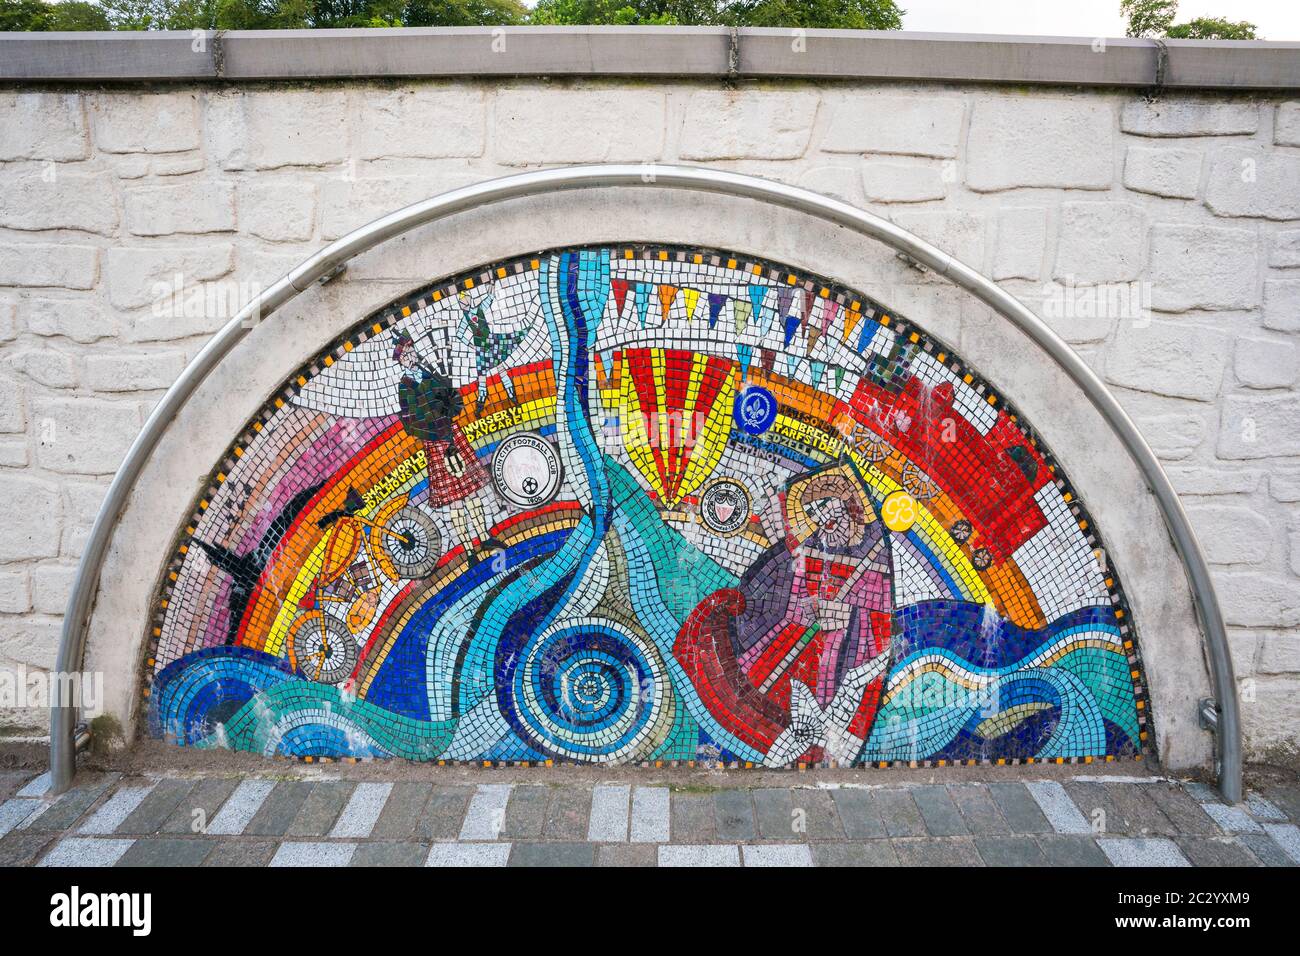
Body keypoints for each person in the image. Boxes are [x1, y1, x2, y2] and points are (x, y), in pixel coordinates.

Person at [392, 329, 486, 507]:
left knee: (472, 492)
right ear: (401, 362)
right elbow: (410, 420)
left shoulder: (430, 374)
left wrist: (450, 406)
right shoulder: (405, 387)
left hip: (452, 433)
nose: (410, 357)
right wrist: (433, 426)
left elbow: (454, 397)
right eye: (405, 356)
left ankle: (482, 534)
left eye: (411, 351)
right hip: (435, 441)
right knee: (453, 500)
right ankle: (466, 536)